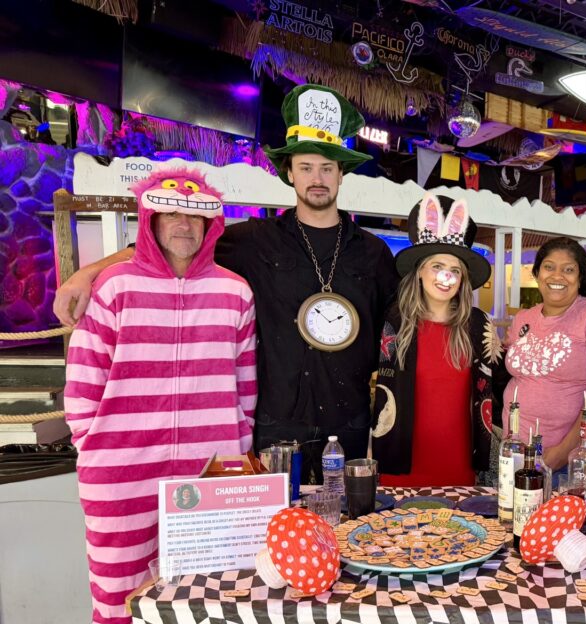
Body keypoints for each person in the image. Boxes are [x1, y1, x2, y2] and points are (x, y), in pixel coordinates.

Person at [54, 85, 399, 479]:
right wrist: (88, 272)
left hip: (349, 422)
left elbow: (399, 322)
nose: (317, 178)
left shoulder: (373, 253)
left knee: (345, 531)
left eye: (326, 168)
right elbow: (169, 247)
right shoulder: (253, 241)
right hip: (276, 426)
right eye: (306, 167)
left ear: (341, 174)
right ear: (289, 172)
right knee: (272, 534)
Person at [64, 167, 256, 624]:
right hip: (119, 462)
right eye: (171, 214)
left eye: (194, 216)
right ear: (149, 221)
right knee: (116, 576)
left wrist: (235, 450)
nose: (183, 225)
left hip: (207, 463)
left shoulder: (233, 291)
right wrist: (89, 442)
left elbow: (246, 380)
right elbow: (84, 373)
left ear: (209, 225)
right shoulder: (115, 288)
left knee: (210, 577)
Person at [373, 193, 499, 485]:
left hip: (458, 466)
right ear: (419, 271)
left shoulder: (477, 325)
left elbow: (500, 389)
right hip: (400, 464)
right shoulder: (396, 321)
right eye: (437, 267)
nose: (446, 277)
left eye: (455, 270)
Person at [502, 237, 586, 471]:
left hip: (566, 458)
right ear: (537, 273)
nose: (557, 276)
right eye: (549, 267)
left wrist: (562, 452)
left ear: (580, 278)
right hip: (515, 452)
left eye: (568, 270)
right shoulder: (523, 318)